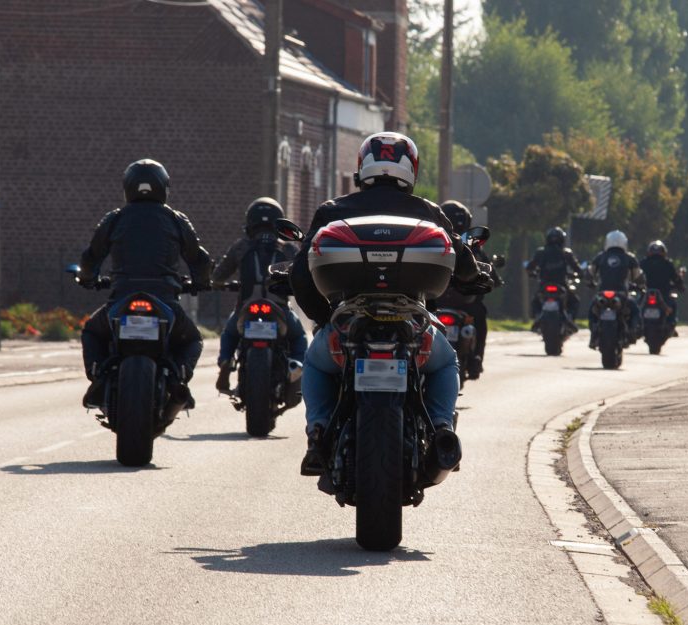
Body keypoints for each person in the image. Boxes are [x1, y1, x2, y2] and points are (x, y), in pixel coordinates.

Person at [289, 132, 490, 473]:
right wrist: (474, 277)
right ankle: (442, 428)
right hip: (411, 323)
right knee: (444, 364)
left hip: (349, 323)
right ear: (411, 169)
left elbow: (300, 273)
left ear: (361, 167)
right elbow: (462, 258)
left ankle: (317, 433)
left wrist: (324, 318)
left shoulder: (333, 211)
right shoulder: (428, 212)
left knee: (318, 363)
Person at [78, 159, 211, 409]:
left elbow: (91, 256)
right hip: (165, 301)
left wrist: (88, 278)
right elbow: (198, 258)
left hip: (122, 298)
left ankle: (97, 377)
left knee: (92, 332)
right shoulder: (175, 219)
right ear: (164, 188)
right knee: (192, 339)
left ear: (127, 187)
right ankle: (179, 377)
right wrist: (201, 282)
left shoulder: (115, 219)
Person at [211, 197, 308, 394]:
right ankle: (295, 365)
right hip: (279, 309)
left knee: (229, 333)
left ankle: (226, 361)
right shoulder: (288, 248)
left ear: (250, 222)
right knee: (299, 336)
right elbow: (303, 275)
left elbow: (218, 276)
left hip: (246, 308)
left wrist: (219, 283)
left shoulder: (241, 247)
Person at [437, 199, 502, 377]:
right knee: (480, 315)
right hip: (465, 304)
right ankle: (476, 358)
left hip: (437, 301)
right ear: (466, 222)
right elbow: (491, 275)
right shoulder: (472, 247)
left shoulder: (434, 242)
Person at [587, 229, 645, 348]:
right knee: (635, 310)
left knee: (591, 311)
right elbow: (637, 276)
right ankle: (632, 332)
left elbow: (590, 273)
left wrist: (590, 282)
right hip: (621, 294)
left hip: (602, 293)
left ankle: (593, 335)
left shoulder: (601, 257)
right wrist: (640, 285)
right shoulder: (629, 258)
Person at [525, 226, 582, 325]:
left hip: (544, 284)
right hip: (562, 284)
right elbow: (577, 269)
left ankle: (537, 317)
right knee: (574, 301)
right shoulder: (566, 253)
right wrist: (578, 275)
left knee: (535, 301)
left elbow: (529, 267)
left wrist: (532, 273)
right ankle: (570, 319)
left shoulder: (541, 252)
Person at [640, 240, 685, 333]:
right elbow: (676, 278)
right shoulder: (667, 263)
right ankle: (671, 325)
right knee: (673, 304)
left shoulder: (643, 263)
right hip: (661, 294)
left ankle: (670, 324)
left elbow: (636, 277)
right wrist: (680, 286)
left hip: (647, 293)